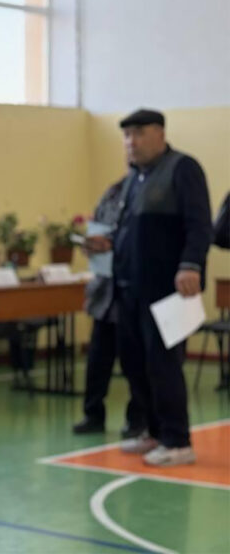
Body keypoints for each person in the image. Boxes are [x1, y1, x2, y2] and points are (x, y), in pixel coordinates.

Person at [106, 109, 211, 467]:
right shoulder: (134, 178)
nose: (131, 142)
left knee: (163, 365)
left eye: (139, 133)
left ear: (160, 134)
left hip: (166, 290)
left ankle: (178, 441)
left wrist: (190, 264)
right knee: (134, 363)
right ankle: (153, 431)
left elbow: (199, 224)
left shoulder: (183, 168)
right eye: (126, 135)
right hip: (129, 288)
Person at [72, 180, 145, 437]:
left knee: (133, 362)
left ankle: (137, 419)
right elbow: (98, 226)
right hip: (104, 290)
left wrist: (113, 244)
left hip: (131, 287)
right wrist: (91, 245)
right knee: (97, 359)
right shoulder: (112, 192)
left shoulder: (146, 191)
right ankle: (93, 414)